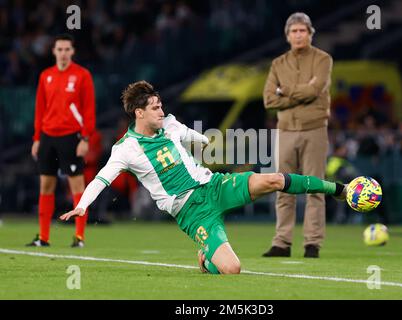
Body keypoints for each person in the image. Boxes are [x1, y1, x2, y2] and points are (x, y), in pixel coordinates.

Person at [59, 81, 347, 274]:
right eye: (156, 107)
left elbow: (190, 135)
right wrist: (83, 205)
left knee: (272, 180)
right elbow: (101, 178)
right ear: (139, 113)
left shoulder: (170, 125)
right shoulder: (125, 149)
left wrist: (206, 142)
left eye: (161, 105)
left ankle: (338, 189)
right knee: (232, 269)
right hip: (192, 212)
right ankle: (206, 259)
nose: (162, 110)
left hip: (214, 185)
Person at [262, 12, 333, 258]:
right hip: (286, 131)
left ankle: (312, 243)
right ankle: (282, 243)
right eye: (294, 31)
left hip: (315, 129)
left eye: (303, 30)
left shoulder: (323, 59)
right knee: (282, 187)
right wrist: (299, 92)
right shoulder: (278, 64)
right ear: (287, 35)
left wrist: (286, 91)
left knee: (316, 187)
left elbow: (317, 89)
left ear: (311, 34)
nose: (299, 35)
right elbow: (269, 99)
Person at [27, 34, 96, 248]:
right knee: (45, 186)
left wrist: (85, 137)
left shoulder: (82, 75)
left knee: (77, 184)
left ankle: (79, 237)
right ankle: (43, 237)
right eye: (60, 49)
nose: (63, 53)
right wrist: (37, 138)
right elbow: (40, 109)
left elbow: (89, 109)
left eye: (67, 49)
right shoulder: (45, 76)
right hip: (48, 136)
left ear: (73, 52)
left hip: (71, 136)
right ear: (54, 51)